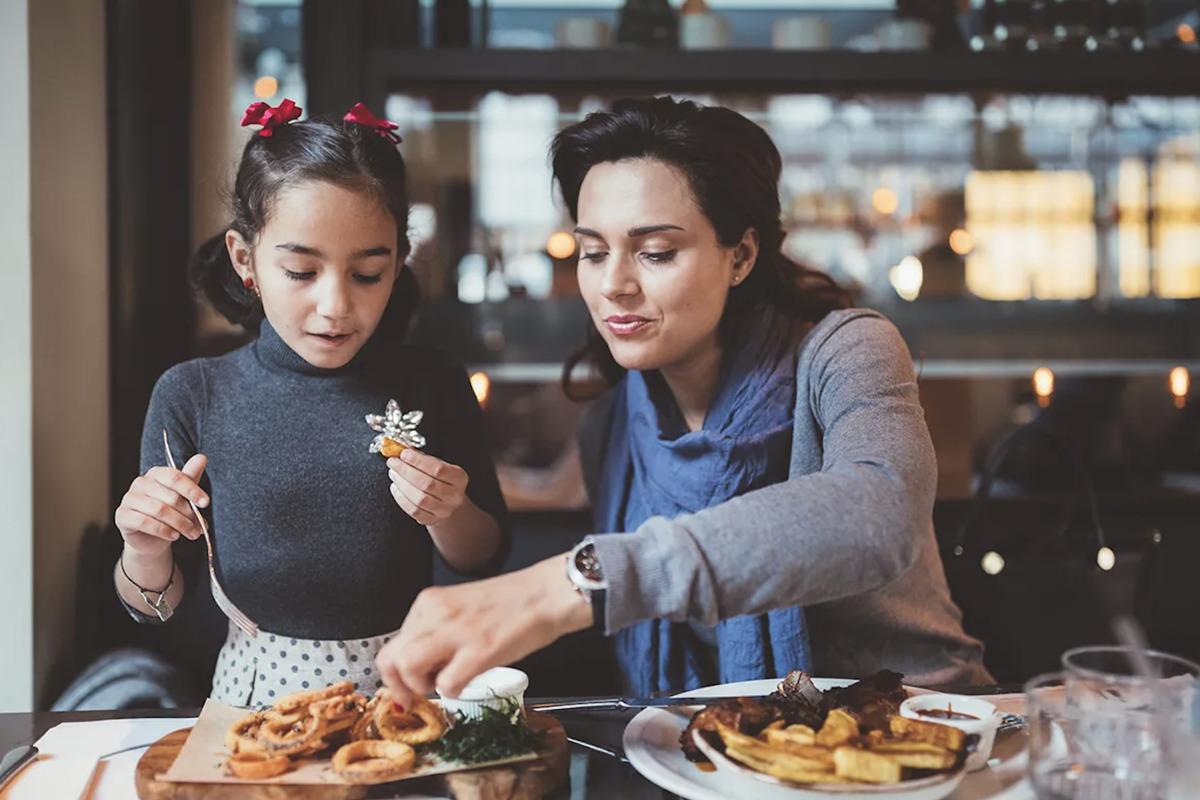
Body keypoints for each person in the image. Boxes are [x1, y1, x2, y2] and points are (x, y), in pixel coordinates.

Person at [374, 96, 988, 706]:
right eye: (593, 252)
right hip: (716, 743)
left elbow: (880, 513)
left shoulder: (847, 350)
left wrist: (574, 584)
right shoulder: (613, 422)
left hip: (927, 724)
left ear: (741, 255)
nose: (614, 284)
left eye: (656, 253)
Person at [112, 99, 507, 707]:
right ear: (245, 259)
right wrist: (143, 546)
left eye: (367, 274)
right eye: (301, 271)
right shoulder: (193, 393)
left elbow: (482, 557)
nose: (335, 307)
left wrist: (447, 511)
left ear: (399, 262)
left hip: (406, 694)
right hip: (252, 701)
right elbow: (155, 609)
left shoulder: (432, 380)